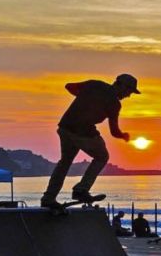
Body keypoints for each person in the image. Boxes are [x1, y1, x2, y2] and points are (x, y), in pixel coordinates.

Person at [40, 74, 140, 208]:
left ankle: (48, 198)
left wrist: (84, 97)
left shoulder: (94, 84)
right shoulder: (114, 103)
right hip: (83, 132)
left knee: (65, 163)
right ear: (121, 85)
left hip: (65, 128)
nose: (128, 95)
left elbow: (69, 86)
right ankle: (81, 189)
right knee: (102, 156)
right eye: (128, 91)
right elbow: (114, 132)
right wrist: (123, 136)